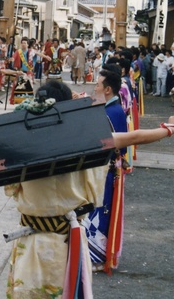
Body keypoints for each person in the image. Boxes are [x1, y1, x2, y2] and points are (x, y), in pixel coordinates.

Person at [5, 80, 174, 298]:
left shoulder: (19, 142)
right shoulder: (85, 140)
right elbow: (133, 136)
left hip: (31, 243)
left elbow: (10, 187)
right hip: (67, 241)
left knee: (27, 291)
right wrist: (168, 129)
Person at [82, 66, 128, 273]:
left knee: (102, 212)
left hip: (107, 169)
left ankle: (99, 257)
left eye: (98, 85)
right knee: (97, 210)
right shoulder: (110, 108)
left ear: (108, 89)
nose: (95, 88)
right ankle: (95, 254)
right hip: (102, 168)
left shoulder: (114, 111)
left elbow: (120, 144)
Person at [10, 37, 36, 104]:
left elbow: (38, 54)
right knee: (19, 86)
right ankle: (19, 101)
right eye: (22, 43)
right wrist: (12, 59)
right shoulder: (18, 51)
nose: (23, 44)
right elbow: (14, 57)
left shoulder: (31, 51)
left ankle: (29, 100)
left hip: (28, 72)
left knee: (29, 86)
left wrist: (45, 57)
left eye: (25, 43)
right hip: (20, 72)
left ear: (27, 44)